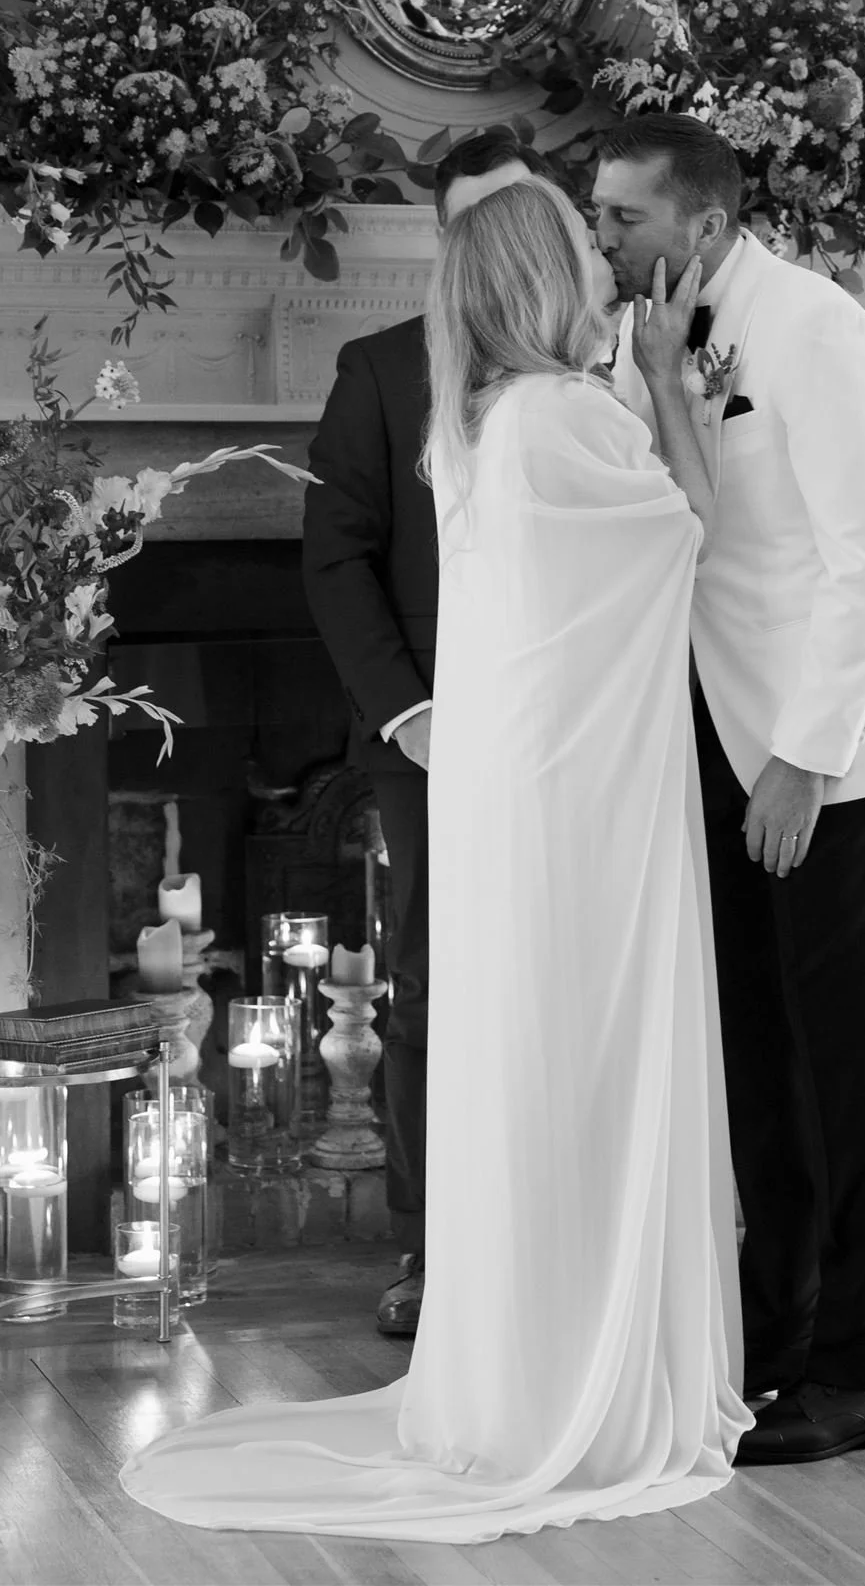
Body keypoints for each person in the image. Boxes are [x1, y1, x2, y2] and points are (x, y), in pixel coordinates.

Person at [122, 179, 752, 1540]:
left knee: (523, 1061)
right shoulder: (568, 416)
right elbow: (695, 535)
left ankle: (520, 1359)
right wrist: (664, 381)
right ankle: (583, 1376)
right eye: (585, 250)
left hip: (509, 793)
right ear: (542, 277)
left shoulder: (475, 423)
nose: (605, 266)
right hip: (582, 806)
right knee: (586, 1060)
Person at [597, 113, 865, 1466]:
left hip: (827, 747)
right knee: (758, 1055)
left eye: (620, 216)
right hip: (712, 731)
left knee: (841, 1057)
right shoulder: (643, 337)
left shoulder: (815, 328)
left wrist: (802, 756)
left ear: (699, 220)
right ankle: (776, 1331)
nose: (600, 238)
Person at [301, 128, 558, 1338]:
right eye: (473, 226)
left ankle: (561, 1236)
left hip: (575, 736)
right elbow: (334, 556)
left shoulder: (595, 368)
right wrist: (410, 714)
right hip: (433, 742)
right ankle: (432, 1243)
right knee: (434, 985)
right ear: (446, 240)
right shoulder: (379, 369)